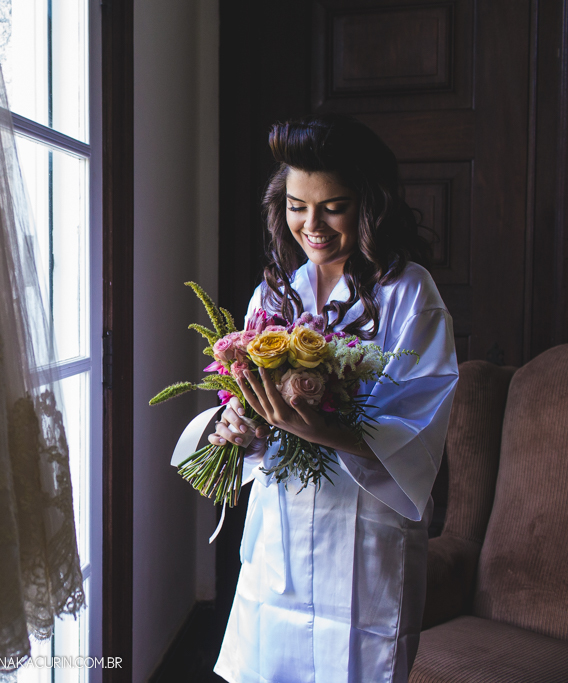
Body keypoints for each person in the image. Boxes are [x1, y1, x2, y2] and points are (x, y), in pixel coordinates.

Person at [209, 113, 459, 683]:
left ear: (368, 205)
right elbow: (246, 401)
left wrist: (323, 431)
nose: (311, 225)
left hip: (364, 537)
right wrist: (240, 424)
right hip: (280, 531)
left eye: (332, 206)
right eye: (298, 206)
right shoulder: (275, 294)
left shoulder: (408, 292)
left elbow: (421, 420)